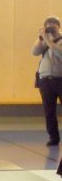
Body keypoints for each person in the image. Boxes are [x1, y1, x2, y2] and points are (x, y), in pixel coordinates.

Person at [32, 16, 62, 146]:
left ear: (59, 27)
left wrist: (49, 41)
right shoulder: (44, 41)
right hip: (45, 80)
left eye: (53, 27)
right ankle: (53, 137)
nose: (50, 29)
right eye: (47, 26)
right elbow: (34, 52)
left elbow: (59, 53)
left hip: (60, 79)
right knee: (49, 110)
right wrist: (41, 38)